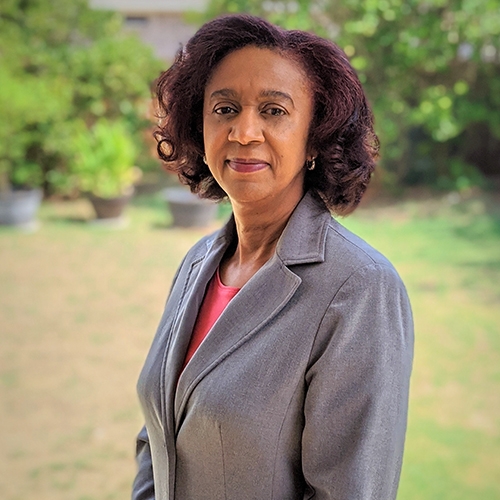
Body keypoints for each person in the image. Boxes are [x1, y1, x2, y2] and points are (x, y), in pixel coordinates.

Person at [133, 14, 413, 500]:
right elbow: (157, 435)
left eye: (274, 110)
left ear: (314, 138)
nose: (244, 132)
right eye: (224, 108)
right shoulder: (198, 263)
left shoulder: (359, 288)